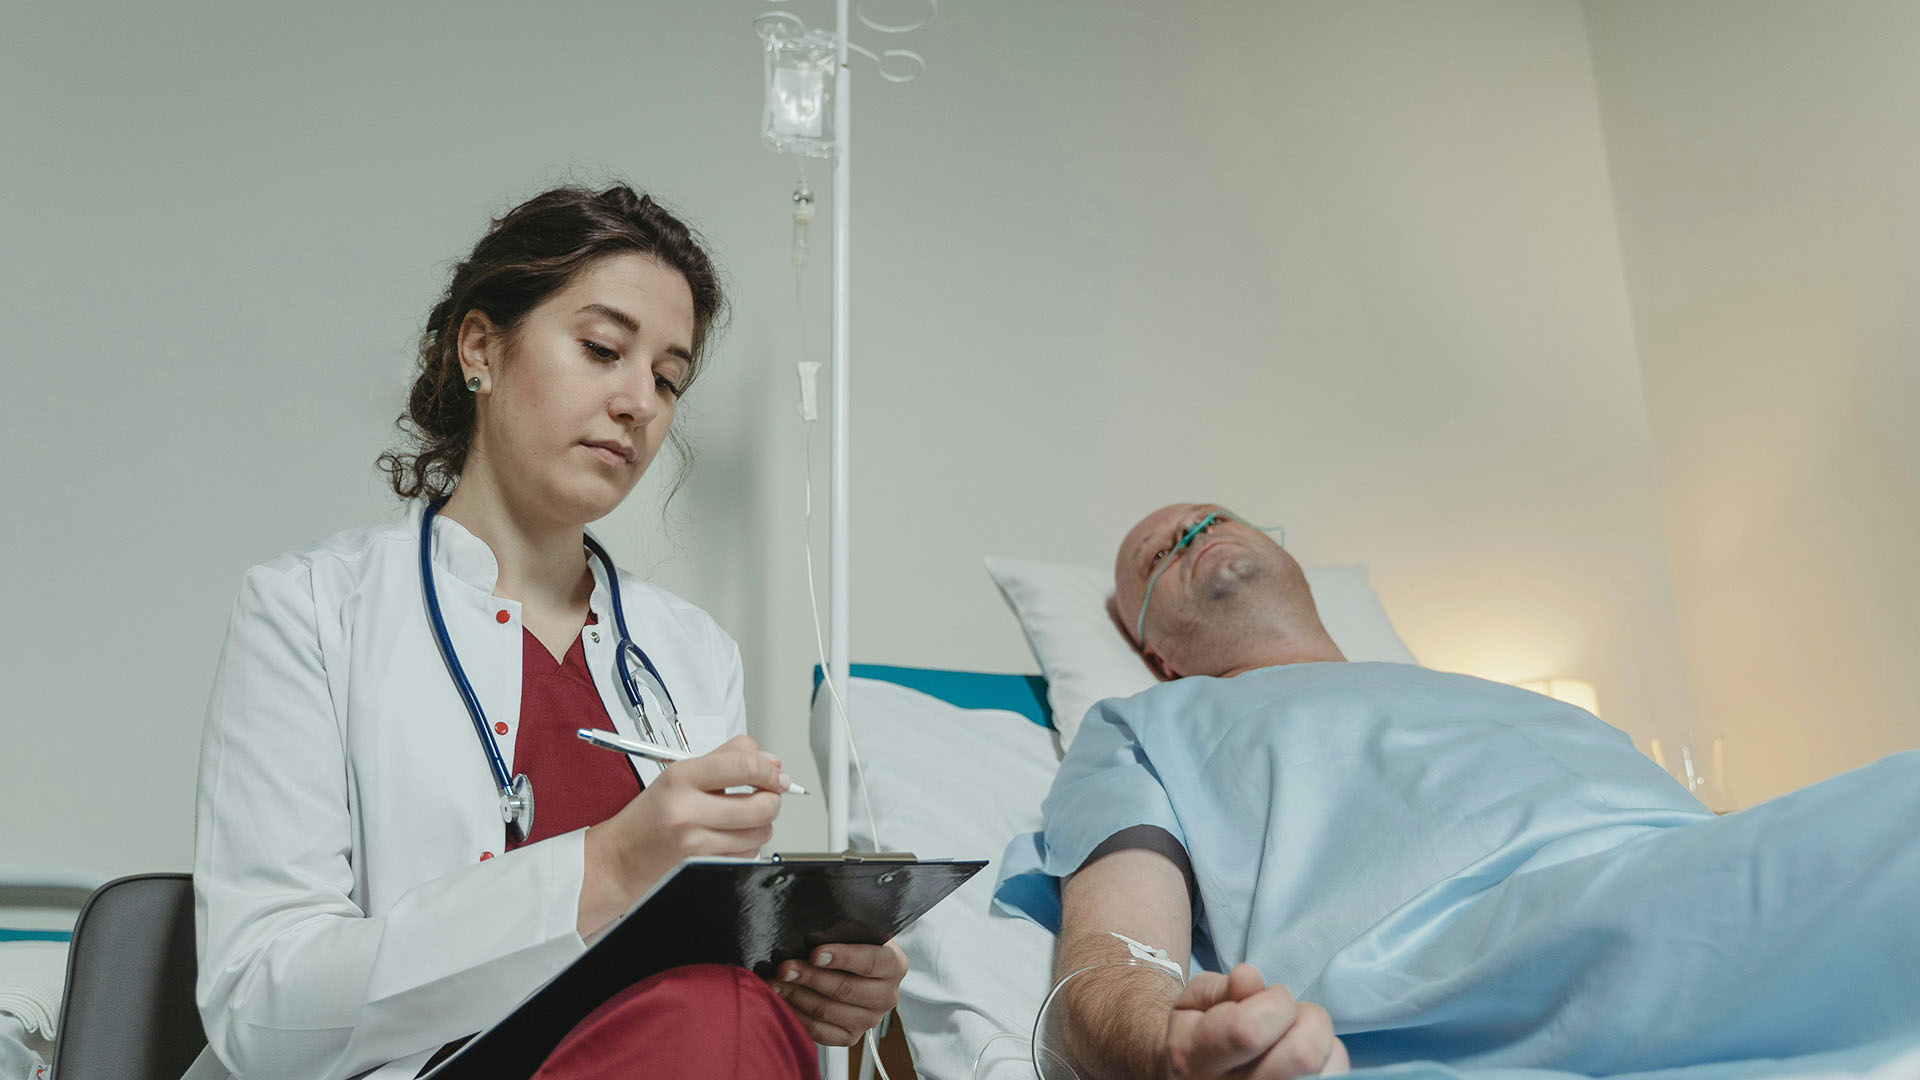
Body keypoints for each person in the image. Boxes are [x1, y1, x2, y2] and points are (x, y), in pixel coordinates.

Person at [186, 185, 904, 1080]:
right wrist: (606, 867)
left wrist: (800, 982)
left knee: (723, 1012)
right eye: (603, 349)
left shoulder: (691, 655)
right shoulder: (310, 611)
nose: (638, 401)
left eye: (668, 378)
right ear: (480, 348)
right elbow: (259, 1007)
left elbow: (704, 961)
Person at [996, 503, 1920, 1080]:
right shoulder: (1142, 724)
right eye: (1155, 555)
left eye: (1211, 516)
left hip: (1691, 870)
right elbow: (1109, 964)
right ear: (1158, 653)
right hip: (1459, 963)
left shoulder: (1496, 692)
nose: (1187, 528)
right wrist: (1168, 1046)